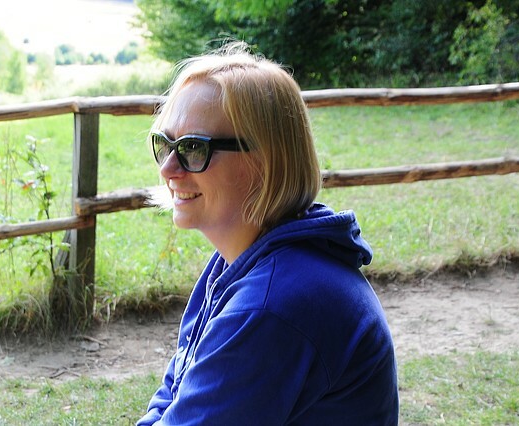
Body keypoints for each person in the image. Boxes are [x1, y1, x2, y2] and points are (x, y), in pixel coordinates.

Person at [137, 42, 399, 425]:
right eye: (166, 144)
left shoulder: (270, 305)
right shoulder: (246, 263)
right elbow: (176, 390)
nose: (168, 169)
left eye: (193, 148)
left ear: (266, 161)